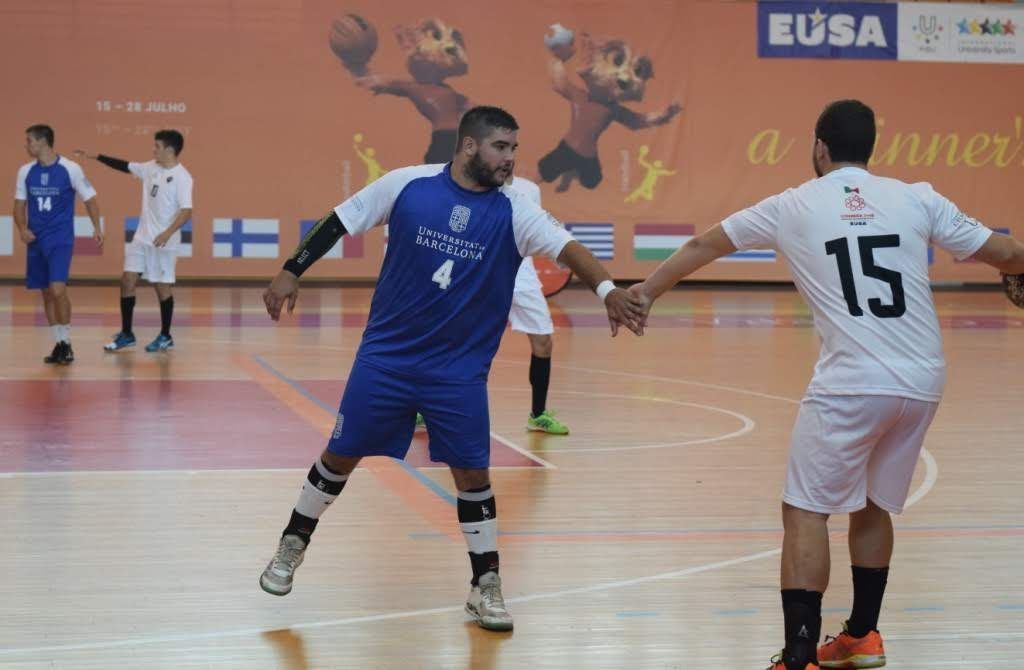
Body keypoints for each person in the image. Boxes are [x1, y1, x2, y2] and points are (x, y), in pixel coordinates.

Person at [628, 99, 1024, 670]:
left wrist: (645, 292)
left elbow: (703, 246)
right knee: (873, 503)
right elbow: (1007, 252)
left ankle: (797, 657)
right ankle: (862, 636)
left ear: (819, 148)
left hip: (852, 383)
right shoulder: (918, 197)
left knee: (806, 511)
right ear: (872, 149)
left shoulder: (791, 204)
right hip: (922, 379)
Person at [258, 106, 644, 631]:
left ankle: (485, 587)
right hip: (387, 357)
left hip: (457, 370)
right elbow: (339, 220)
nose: (510, 159)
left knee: (473, 475)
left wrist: (606, 290)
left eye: (514, 149)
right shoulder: (407, 185)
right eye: (500, 148)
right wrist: (290, 269)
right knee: (341, 455)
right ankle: (292, 545)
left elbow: (570, 248)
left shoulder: (515, 211)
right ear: (468, 146)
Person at [416, 172, 569, 434]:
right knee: (451, 339)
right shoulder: (474, 184)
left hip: (523, 277)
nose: (505, 156)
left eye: (510, 149)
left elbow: (536, 231)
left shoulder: (529, 190)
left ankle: (538, 415)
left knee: (543, 342)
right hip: (482, 272)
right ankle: (425, 408)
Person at [76, 130, 193, 352]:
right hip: (142, 238)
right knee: (127, 280)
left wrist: (167, 233)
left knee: (161, 288)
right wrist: (96, 156)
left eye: (157, 146)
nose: (153, 149)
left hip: (164, 242)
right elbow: (125, 166)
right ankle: (127, 334)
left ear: (169, 150)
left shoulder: (182, 177)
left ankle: (165, 335)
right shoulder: (150, 168)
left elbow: (187, 211)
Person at [14, 124, 103, 364]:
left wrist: (97, 227)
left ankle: (67, 342)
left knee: (57, 289)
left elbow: (91, 199)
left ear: (43, 142)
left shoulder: (70, 169)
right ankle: (59, 343)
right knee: (45, 292)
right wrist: (22, 229)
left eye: (30, 141)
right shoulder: (25, 171)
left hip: (60, 238)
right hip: (36, 240)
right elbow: (19, 205)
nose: (27, 145)